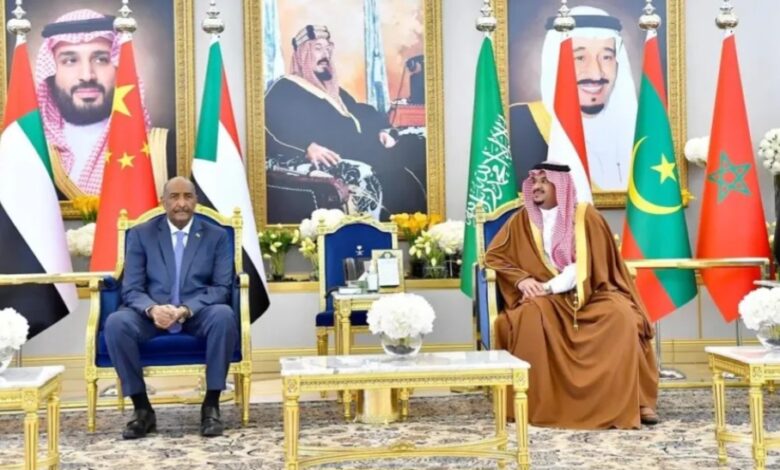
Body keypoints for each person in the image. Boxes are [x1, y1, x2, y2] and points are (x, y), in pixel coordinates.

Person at [485, 162, 658, 429]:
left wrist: (551, 286)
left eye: (544, 181)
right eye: (534, 181)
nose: (537, 187)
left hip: (592, 293)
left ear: (561, 186)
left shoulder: (586, 217)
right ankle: (532, 404)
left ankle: (636, 401)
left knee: (621, 316)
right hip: (545, 300)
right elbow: (494, 256)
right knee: (527, 318)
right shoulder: (522, 220)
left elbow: (590, 264)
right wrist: (522, 280)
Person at [103, 176, 237, 439]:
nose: (181, 203)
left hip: (197, 313)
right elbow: (131, 289)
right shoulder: (141, 234)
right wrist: (152, 309)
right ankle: (142, 409)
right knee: (116, 323)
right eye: (174, 197)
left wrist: (185, 309)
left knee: (224, 315)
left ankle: (211, 406)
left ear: (196, 200)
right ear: (163, 201)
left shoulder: (217, 236)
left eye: (188, 196)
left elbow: (221, 288)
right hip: (150, 315)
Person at [264, 24, 426, 220]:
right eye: (317, 48)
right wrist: (306, 147)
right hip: (344, 156)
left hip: (368, 149)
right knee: (404, 162)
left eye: (328, 48)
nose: (325, 54)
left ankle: (416, 225)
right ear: (302, 54)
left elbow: (360, 112)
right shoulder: (285, 88)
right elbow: (272, 125)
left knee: (419, 148)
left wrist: (381, 130)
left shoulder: (333, 91)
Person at [36, 9, 169, 198]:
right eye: (70, 61)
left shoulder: (158, 148)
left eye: (101, 60)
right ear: (50, 73)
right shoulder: (30, 149)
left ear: (118, 67)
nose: (87, 75)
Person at [509, 5, 637, 191]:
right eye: (579, 58)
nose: (596, 73)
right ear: (555, 62)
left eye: (606, 57)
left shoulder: (643, 128)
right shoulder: (519, 122)